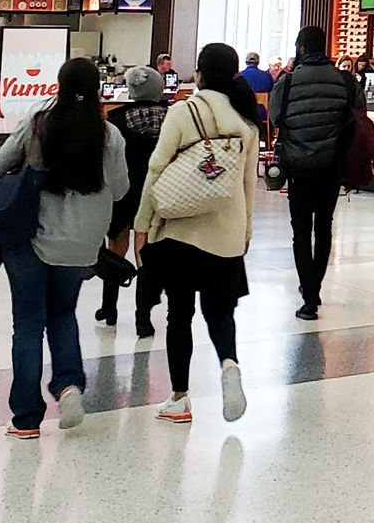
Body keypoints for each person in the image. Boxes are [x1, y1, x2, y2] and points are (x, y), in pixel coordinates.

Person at [0, 57, 127, 439]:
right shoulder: (108, 135)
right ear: (98, 90)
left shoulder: (38, 123)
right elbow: (121, 188)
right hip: (80, 245)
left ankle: (27, 418)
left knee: (28, 323)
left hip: (31, 236)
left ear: (58, 86)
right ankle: (69, 386)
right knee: (63, 314)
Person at [134, 43, 263, 424]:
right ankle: (229, 364)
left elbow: (156, 169)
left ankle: (179, 399)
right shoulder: (246, 121)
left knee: (180, 314)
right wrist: (246, 229)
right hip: (227, 230)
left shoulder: (182, 111)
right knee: (221, 312)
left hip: (181, 230)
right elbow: (247, 184)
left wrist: (142, 223)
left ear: (200, 73)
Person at [272, 25, 359, 320]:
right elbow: (359, 113)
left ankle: (308, 294)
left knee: (300, 231)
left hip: (298, 166)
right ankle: (315, 288)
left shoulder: (289, 81)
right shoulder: (344, 80)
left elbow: (275, 117)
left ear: (301, 49)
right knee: (324, 226)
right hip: (332, 166)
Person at [94, 66, 168, 334]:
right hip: (156, 193)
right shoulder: (171, 118)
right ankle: (143, 318)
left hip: (121, 193)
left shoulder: (115, 120)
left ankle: (109, 308)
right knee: (144, 253)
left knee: (116, 247)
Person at [240, 50, 275, 137]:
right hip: (263, 113)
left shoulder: (240, 76)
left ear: (246, 62)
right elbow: (272, 94)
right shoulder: (267, 76)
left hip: (244, 113)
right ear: (258, 62)